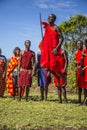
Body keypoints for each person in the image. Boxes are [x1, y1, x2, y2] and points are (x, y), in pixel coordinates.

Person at [38, 13, 65, 86]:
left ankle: (62, 76)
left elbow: (62, 38)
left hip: (54, 48)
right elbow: (46, 38)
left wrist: (57, 48)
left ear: (54, 19)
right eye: (48, 17)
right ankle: (57, 77)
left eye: (51, 18)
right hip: (47, 49)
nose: (49, 19)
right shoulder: (47, 27)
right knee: (46, 66)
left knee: (54, 65)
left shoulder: (56, 27)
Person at [81, 38, 87, 105]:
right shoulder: (84, 50)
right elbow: (82, 59)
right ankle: (85, 101)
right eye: (85, 42)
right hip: (85, 69)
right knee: (85, 86)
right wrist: (81, 69)